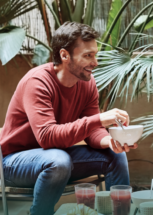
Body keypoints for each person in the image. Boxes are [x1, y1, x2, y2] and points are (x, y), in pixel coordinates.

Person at [0, 22, 138, 215]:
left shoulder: (86, 83)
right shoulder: (38, 82)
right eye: (88, 56)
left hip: (57, 156)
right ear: (65, 55)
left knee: (115, 154)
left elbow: (92, 131)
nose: (95, 62)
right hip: (12, 162)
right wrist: (99, 119)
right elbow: (47, 137)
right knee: (59, 160)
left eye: (95, 55)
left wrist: (110, 141)